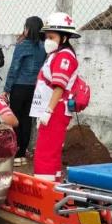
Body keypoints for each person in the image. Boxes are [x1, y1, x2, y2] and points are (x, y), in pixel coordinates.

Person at [31, 12, 81, 182]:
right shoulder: (57, 54)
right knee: (51, 151)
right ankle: (53, 188)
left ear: (64, 38)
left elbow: (59, 87)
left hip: (56, 108)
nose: (48, 40)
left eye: (51, 36)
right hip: (53, 107)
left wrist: (48, 111)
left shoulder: (64, 57)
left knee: (45, 151)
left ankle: (43, 190)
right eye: (46, 36)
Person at [2, 16, 47, 166]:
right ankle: (22, 153)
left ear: (28, 28)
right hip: (34, 88)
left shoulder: (22, 45)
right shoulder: (43, 46)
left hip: (19, 86)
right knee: (28, 120)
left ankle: (14, 152)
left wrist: (6, 89)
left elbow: (14, 68)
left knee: (15, 119)